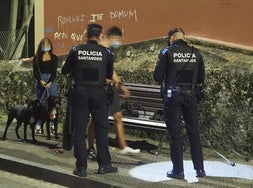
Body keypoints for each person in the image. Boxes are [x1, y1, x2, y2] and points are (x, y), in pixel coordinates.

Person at [61, 23, 118, 177]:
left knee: (79, 130)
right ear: (99, 36)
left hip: (80, 92)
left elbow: (65, 70)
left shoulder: (76, 49)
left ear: (86, 34)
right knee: (101, 129)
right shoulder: (106, 52)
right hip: (98, 93)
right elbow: (108, 74)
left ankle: (81, 167)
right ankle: (104, 165)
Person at [153, 28, 206, 180]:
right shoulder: (196, 53)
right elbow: (201, 78)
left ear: (172, 38)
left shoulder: (166, 52)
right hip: (191, 96)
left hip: (173, 96)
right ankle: (200, 169)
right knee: (193, 132)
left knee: (175, 134)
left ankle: (178, 171)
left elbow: (157, 76)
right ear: (184, 37)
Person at [87, 26, 140, 159]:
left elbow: (111, 70)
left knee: (118, 116)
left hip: (111, 88)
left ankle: (123, 146)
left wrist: (121, 86)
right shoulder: (99, 50)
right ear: (114, 37)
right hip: (100, 89)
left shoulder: (109, 51)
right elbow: (95, 72)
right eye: (120, 39)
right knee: (94, 119)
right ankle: (90, 147)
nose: (120, 42)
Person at [33, 38, 58, 135]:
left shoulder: (54, 58)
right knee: (41, 104)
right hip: (40, 81)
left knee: (51, 105)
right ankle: (39, 125)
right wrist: (40, 81)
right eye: (44, 44)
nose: (46, 46)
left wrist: (50, 82)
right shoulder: (37, 58)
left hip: (51, 82)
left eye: (48, 44)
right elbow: (35, 72)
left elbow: (54, 72)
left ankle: (52, 125)